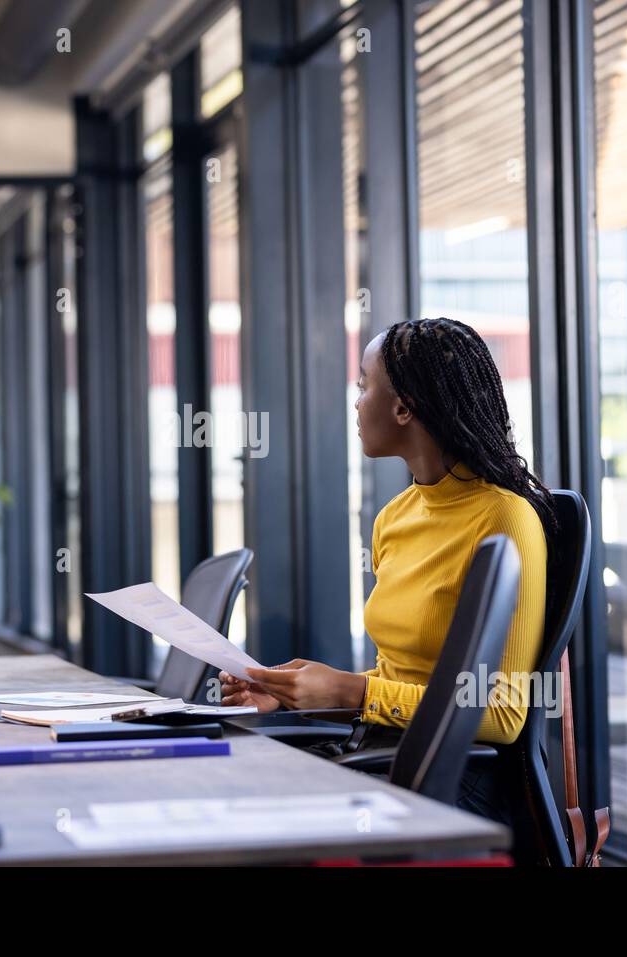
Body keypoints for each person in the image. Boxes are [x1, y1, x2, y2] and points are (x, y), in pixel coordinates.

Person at [220, 317, 552, 821]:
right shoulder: (394, 519)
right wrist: (294, 697)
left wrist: (350, 691)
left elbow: (503, 714)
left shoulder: (505, 519)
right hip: (381, 756)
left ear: (402, 407)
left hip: (455, 784)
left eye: (362, 385)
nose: (355, 402)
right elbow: (401, 679)